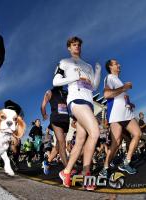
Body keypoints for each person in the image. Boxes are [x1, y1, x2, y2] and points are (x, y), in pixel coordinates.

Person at [53, 36, 101, 190]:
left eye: (79, 45)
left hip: (88, 101)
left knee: (80, 139)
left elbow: (93, 87)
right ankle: (87, 174)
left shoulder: (87, 65)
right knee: (95, 132)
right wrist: (74, 77)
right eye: (74, 45)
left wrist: (98, 72)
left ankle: (66, 172)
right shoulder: (64, 62)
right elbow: (56, 81)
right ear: (69, 47)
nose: (77, 47)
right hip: (76, 100)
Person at [99, 59, 141, 177]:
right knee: (116, 142)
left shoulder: (118, 80)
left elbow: (121, 97)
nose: (119, 64)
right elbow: (107, 95)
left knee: (137, 134)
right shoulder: (109, 77)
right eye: (116, 63)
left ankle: (126, 162)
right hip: (115, 114)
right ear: (110, 67)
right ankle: (105, 168)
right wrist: (124, 87)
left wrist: (129, 103)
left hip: (126, 113)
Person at [41, 86, 70, 174]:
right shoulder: (50, 92)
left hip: (65, 120)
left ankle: (47, 161)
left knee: (58, 146)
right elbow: (43, 105)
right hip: (56, 119)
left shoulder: (66, 93)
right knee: (62, 143)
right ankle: (68, 170)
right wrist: (44, 114)